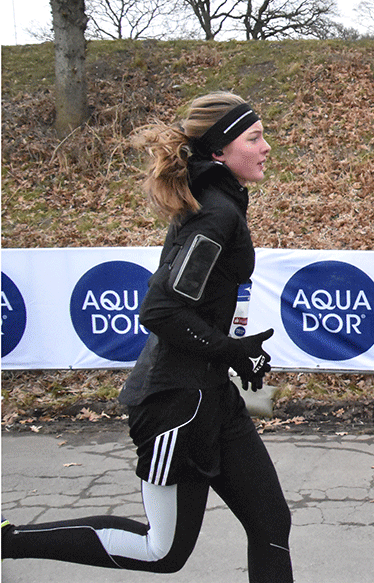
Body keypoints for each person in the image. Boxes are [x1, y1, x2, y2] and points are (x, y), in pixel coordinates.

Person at [2, 92, 293, 582]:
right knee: (162, 551)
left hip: (210, 393)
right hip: (174, 402)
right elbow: (159, 311)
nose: (267, 147)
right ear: (220, 151)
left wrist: (233, 358)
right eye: (255, 137)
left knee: (270, 522)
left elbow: (193, 303)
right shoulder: (216, 214)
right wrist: (228, 348)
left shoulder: (220, 203)